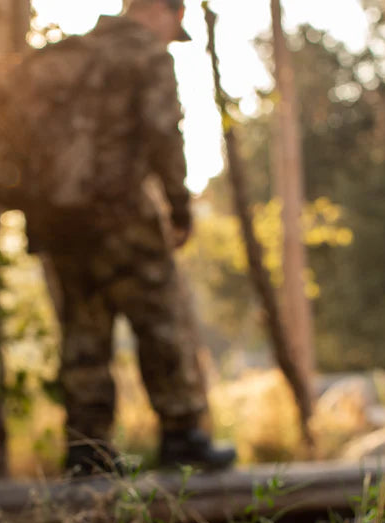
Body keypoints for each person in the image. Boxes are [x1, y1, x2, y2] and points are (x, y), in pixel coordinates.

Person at [34, 0, 236, 476]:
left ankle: (88, 452)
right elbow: (164, 132)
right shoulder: (147, 55)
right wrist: (179, 207)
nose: (170, 40)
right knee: (160, 321)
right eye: (174, 29)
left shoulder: (71, 55)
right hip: (125, 216)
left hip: (61, 220)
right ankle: (182, 437)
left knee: (83, 335)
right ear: (167, 12)